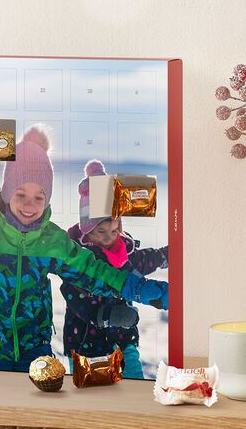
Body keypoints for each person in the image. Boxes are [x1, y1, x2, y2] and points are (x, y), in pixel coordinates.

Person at [0, 126, 169, 371]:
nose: (29, 205)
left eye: (39, 197)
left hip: (34, 349)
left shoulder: (52, 240)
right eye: (20, 194)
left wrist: (139, 288)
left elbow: (91, 270)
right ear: (7, 191)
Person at [62, 160, 169, 379]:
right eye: (101, 231)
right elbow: (73, 296)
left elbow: (141, 261)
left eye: (114, 230)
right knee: (91, 396)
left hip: (124, 339)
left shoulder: (122, 249)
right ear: (86, 231)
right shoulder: (76, 260)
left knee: (132, 382)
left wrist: (165, 256)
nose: (109, 237)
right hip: (84, 343)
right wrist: (107, 316)